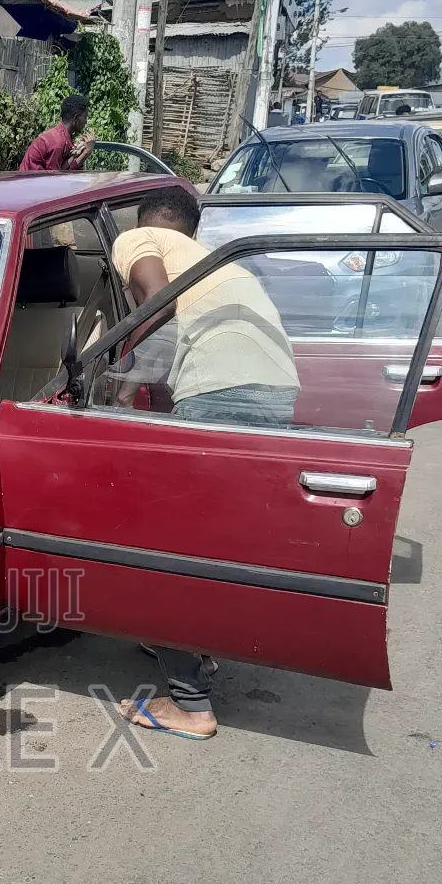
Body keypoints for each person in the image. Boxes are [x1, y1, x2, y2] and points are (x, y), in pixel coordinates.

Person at [109, 187, 300, 741]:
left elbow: (156, 301)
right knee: (214, 541)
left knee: (171, 547)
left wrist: (122, 382)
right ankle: (198, 653)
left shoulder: (139, 237)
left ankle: (190, 706)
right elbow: (179, 339)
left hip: (221, 392)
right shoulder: (212, 261)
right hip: (274, 388)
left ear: (150, 223)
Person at [19, 93, 96, 173]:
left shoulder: (63, 137)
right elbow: (55, 179)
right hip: (29, 183)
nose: (86, 122)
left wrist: (83, 153)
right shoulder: (57, 142)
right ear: (76, 118)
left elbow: (63, 169)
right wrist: (86, 152)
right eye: (85, 117)